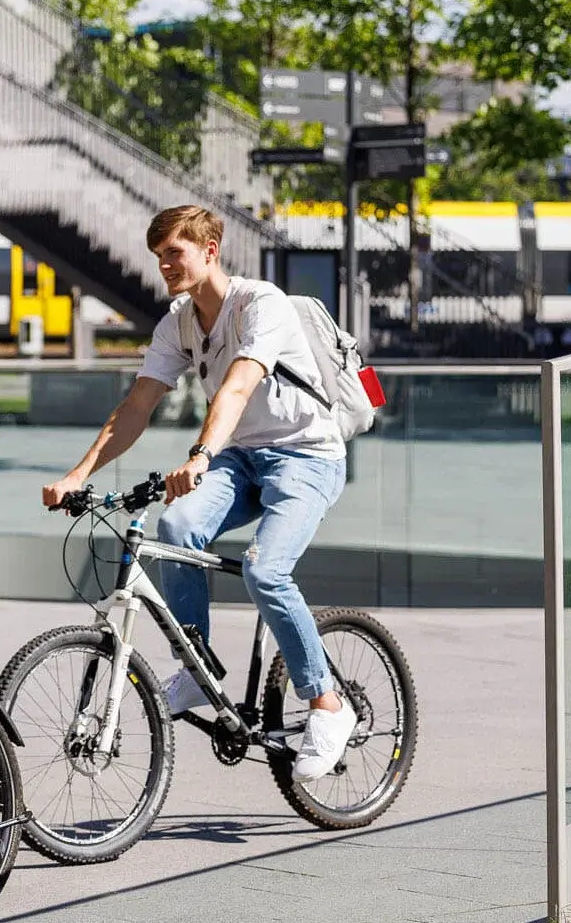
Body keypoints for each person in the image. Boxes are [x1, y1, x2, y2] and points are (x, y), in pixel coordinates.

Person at [40, 205, 355, 783]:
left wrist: (201, 455)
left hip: (307, 455)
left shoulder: (263, 305)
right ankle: (195, 663)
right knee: (176, 529)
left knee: (266, 571)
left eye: (174, 252)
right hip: (243, 458)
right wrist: (78, 474)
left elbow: (236, 386)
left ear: (210, 251)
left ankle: (327, 704)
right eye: (158, 254)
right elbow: (137, 404)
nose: (163, 264)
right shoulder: (179, 322)